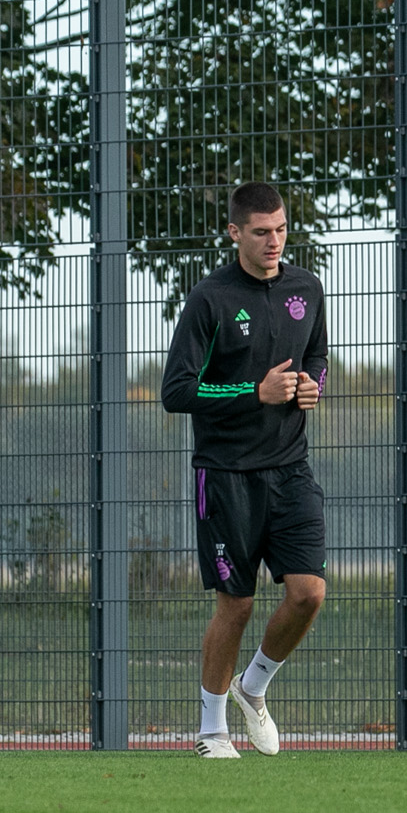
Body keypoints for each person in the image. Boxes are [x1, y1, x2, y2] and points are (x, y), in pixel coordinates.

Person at [162, 181, 329, 759]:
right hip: (225, 473)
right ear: (234, 232)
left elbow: (317, 358)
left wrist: (313, 388)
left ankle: (252, 686)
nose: (273, 241)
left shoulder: (307, 288)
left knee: (308, 593)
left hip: (291, 468)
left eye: (281, 229)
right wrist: (253, 392)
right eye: (261, 232)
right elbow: (176, 390)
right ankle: (211, 729)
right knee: (236, 604)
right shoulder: (209, 298)